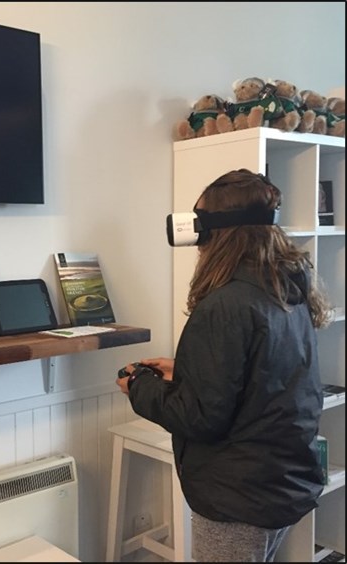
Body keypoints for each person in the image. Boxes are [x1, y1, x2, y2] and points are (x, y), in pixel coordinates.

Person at [116, 169, 332, 562]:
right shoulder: (285, 289)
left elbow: (200, 417)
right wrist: (186, 368)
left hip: (238, 498)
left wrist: (138, 387)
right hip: (279, 483)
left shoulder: (224, 305)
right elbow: (262, 374)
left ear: (217, 234)